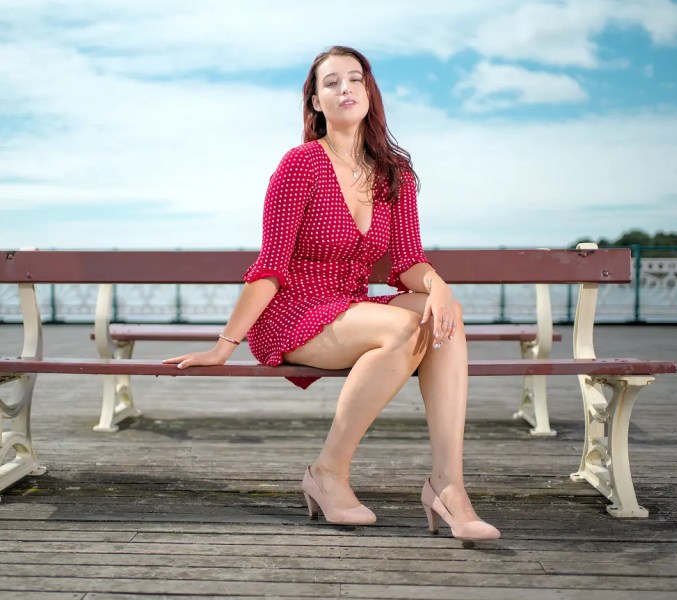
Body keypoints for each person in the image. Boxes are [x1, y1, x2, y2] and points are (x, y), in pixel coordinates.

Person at [163, 46, 500, 541]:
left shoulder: (395, 174)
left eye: (355, 79)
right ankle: (329, 473)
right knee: (407, 323)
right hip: (293, 312)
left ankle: (449, 486)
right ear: (316, 102)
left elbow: (408, 262)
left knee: (442, 317)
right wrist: (225, 346)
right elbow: (270, 267)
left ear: (369, 92)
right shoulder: (300, 165)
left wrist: (439, 287)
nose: (346, 89)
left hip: (351, 307)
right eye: (332, 82)